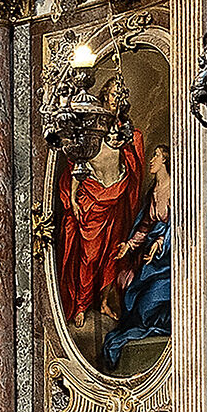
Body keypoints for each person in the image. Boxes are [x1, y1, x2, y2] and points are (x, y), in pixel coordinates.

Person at [57, 114, 145, 327]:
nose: (115, 138)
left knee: (110, 257)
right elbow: (79, 173)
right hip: (93, 207)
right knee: (89, 257)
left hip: (114, 205)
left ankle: (104, 301)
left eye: (117, 135)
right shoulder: (93, 149)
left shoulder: (120, 151)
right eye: (112, 134)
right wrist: (73, 200)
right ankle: (81, 305)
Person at [104, 145, 173, 370]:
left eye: (155, 156)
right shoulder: (153, 191)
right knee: (127, 283)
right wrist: (129, 245)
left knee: (147, 310)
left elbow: (181, 224)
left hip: (171, 262)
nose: (151, 160)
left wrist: (163, 242)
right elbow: (145, 226)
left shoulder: (176, 189)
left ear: (165, 161)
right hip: (151, 261)